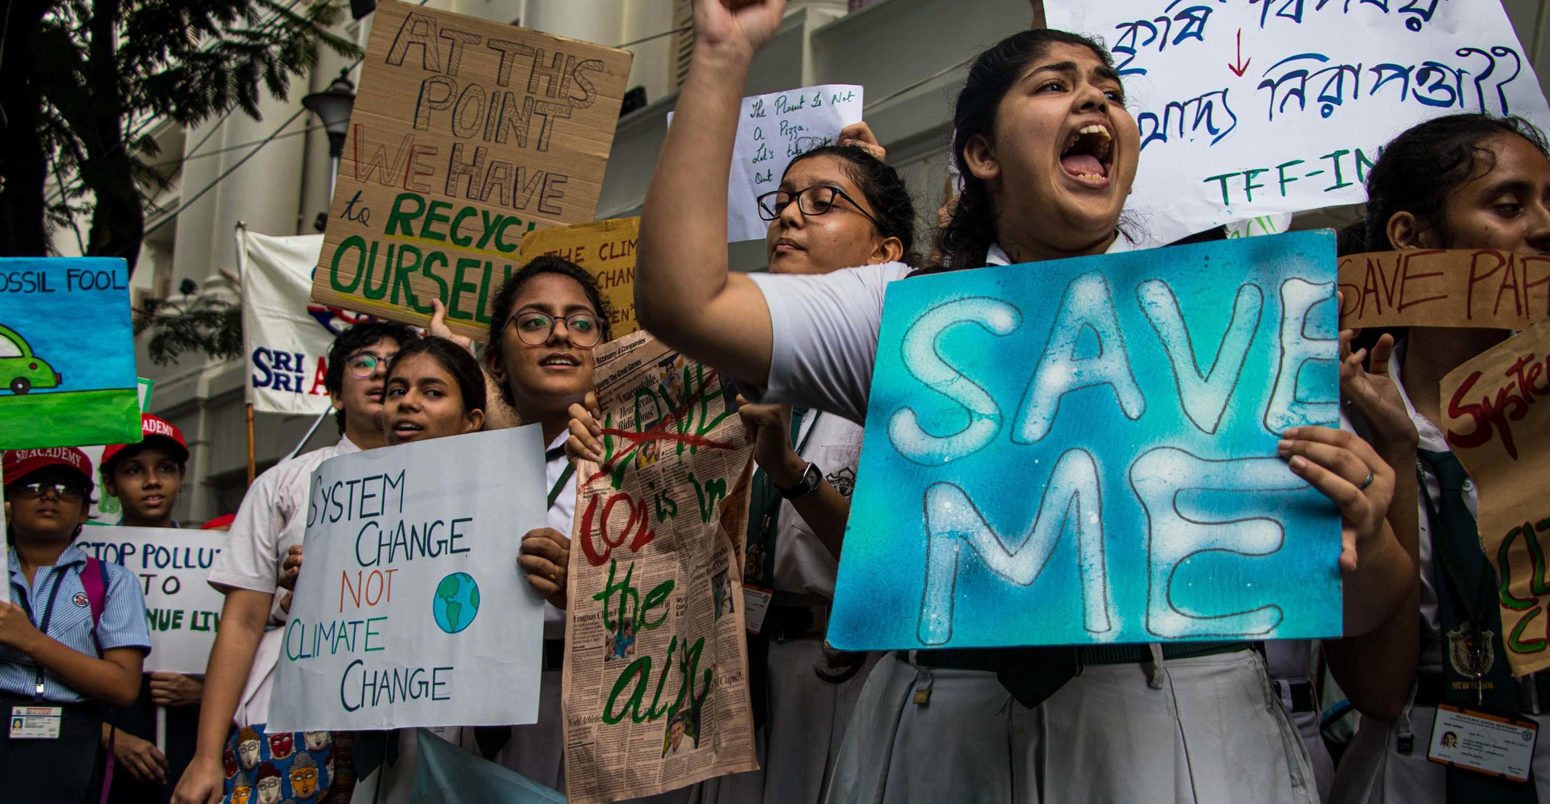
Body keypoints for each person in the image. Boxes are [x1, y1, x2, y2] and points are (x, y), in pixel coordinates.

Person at [633, 2, 1413, 801]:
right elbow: (682, 301)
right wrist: (723, 57)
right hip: (943, 739)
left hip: (1184, 739)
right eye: (1054, 85)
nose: (1095, 102)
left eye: (1110, 91)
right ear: (982, 153)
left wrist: (1370, 530)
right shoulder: (902, 314)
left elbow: (1366, 602)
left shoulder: (1239, 322)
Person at [569, 128, 914, 804]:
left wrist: (790, 473)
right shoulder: (702, 375)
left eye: (824, 202)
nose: (788, 214)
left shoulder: (905, 368)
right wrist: (613, 465)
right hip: (728, 672)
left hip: (841, 674)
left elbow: (899, 568)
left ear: (885, 252)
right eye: (784, 199)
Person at [1329, 113, 1550, 804]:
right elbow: (1379, 688)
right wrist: (1394, 451)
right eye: (1509, 206)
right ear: (1412, 239)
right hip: (1408, 767)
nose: (1544, 225)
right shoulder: (1346, 427)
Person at [172, 320, 420, 804]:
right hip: (290, 711)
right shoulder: (283, 483)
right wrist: (204, 757)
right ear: (334, 395)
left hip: (407, 706)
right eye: (363, 361)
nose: (379, 372)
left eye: (395, 365)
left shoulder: (452, 480)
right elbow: (242, 623)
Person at [0, 447, 151, 804]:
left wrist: (29, 640)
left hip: (75, 740)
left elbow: (123, 685)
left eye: (67, 488)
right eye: (32, 485)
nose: (50, 495)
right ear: (7, 501)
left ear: (85, 509)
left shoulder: (112, 580)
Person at [98, 414, 206, 804]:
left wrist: (201, 691)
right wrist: (110, 737)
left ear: (181, 477)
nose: (152, 481)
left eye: (165, 468)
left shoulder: (214, 561)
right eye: (133, 470)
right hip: (104, 760)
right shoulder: (83, 564)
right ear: (110, 483)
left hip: (187, 750)